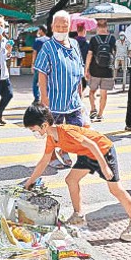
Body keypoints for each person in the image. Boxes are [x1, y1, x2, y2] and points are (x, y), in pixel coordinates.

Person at [23, 104, 131, 242]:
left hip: (103, 151)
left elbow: (92, 144)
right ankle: (78, 216)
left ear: (44, 125)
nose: (33, 132)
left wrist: (104, 167)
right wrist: (30, 181)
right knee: (71, 180)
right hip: (87, 155)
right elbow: (44, 161)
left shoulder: (67, 132)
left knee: (115, 190)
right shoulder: (51, 138)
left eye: (33, 129)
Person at [35, 10, 85, 169]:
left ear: (70, 27)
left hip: (73, 101)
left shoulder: (75, 44)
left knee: (74, 131)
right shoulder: (48, 46)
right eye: (58, 26)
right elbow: (42, 73)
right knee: (52, 131)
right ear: (52, 26)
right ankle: (50, 157)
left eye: (65, 26)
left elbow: (79, 71)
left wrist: (81, 96)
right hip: (54, 100)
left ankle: (64, 150)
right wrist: (44, 98)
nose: (62, 29)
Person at [86, 19, 116, 122]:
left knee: (91, 92)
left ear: (97, 27)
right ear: (106, 27)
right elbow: (114, 55)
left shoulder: (94, 39)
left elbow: (89, 54)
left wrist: (86, 69)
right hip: (108, 71)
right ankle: (100, 114)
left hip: (95, 71)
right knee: (104, 94)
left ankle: (93, 108)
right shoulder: (112, 39)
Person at [31, 25, 49, 105]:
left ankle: (37, 98)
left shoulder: (37, 40)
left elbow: (34, 53)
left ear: (41, 30)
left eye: (39, 30)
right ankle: (46, 97)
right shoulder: (50, 40)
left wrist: (32, 64)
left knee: (35, 82)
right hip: (48, 65)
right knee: (47, 81)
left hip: (38, 64)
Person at [75, 23, 90, 95]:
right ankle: (79, 99)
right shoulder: (87, 44)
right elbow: (89, 57)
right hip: (84, 67)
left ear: (77, 31)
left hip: (73, 67)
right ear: (84, 31)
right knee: (84, 85)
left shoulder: (72, 42)